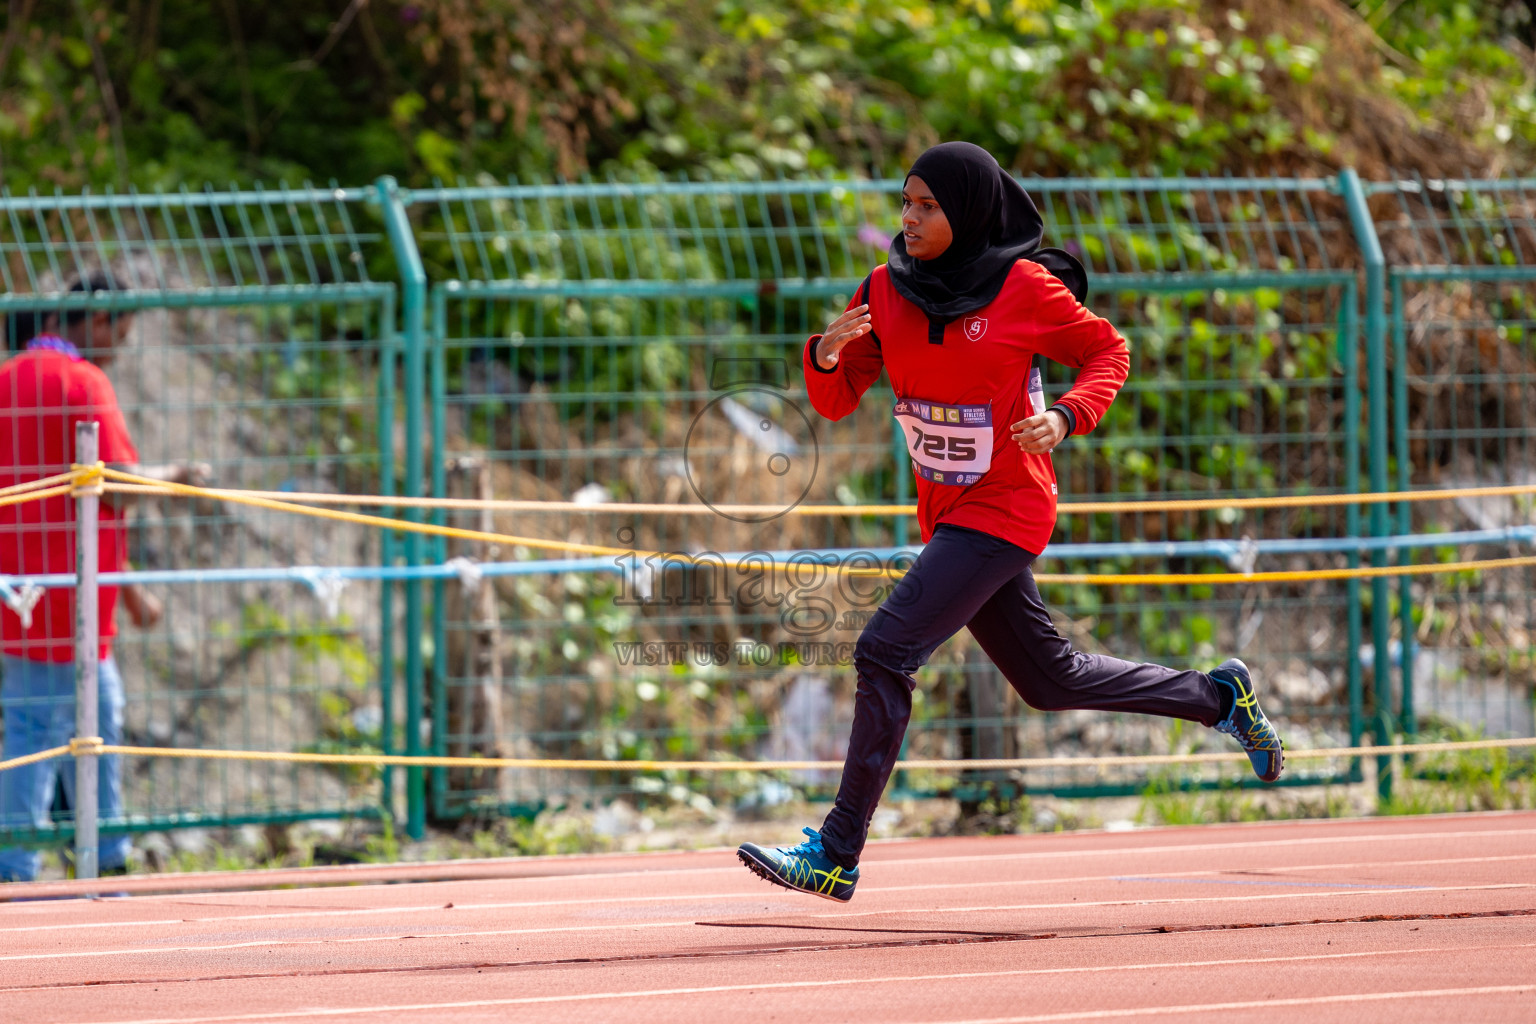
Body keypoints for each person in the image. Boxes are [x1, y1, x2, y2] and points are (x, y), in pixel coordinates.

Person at [737, 143, 1284, 903]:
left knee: (885, 649)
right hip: (948, 514)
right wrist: (826, 356)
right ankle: (1221, 699)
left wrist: (1065, 416)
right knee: (1047, 679)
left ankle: (836, 851)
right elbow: (834, 401)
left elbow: (1108, 350)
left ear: (967, 212)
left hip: (1009, 507)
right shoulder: (884, 289)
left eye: (930, 206)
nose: (911, 218)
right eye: (906, 203)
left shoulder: (1022, 288)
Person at [0, 271, 201, 882]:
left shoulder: (6, 381)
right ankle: (25, 865)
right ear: (90, 321)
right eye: (118, 329)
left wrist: (132, 586)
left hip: (19, 595)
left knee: (82, 720)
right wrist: (176, 476)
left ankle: (98, 856)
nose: (118, 346)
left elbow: (77, 504)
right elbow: (111, 483)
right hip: (74, 604)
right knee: (52, 730)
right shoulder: (84, 381)